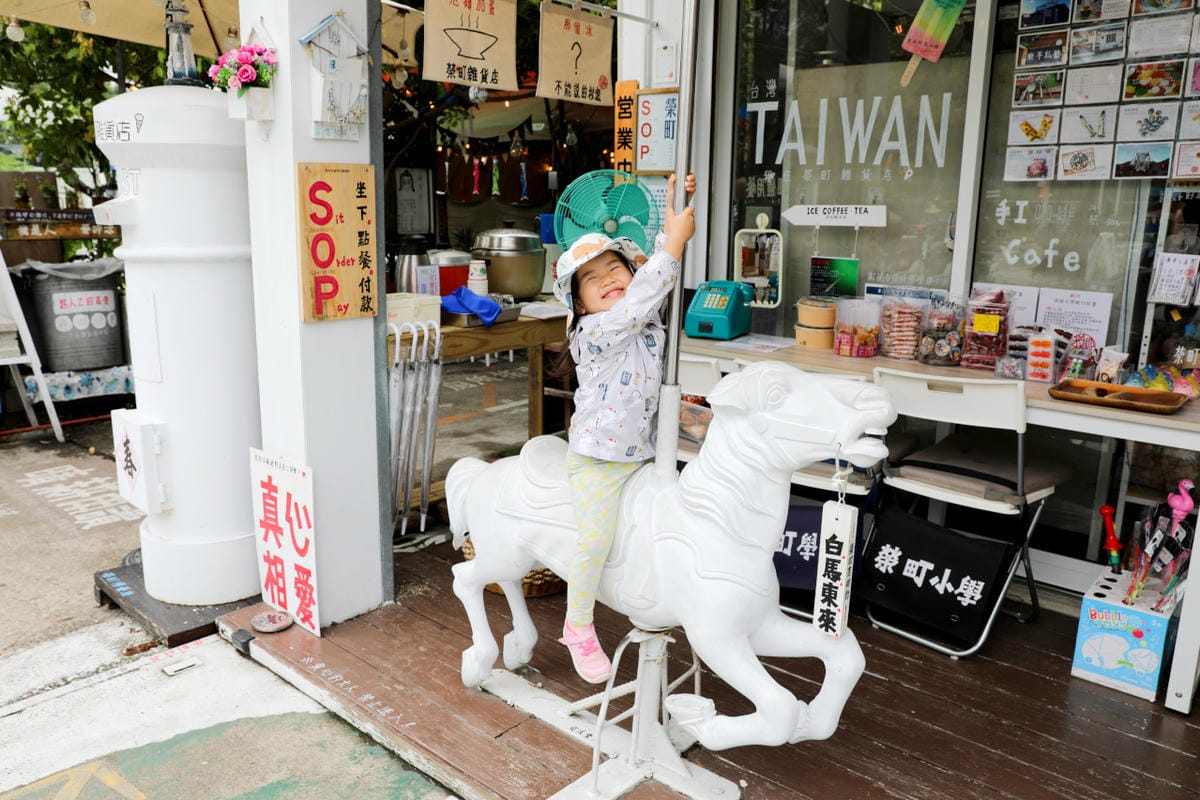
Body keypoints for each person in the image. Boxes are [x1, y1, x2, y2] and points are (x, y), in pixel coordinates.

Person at [550, 171, 696, 683]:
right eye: (592, 279)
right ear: (579, 304)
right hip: (597, 460)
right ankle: (578, 625)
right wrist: (673, 244)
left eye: (617, 268)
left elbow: (650, 289)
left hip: (644, 452)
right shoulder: (597, 331)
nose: (610, 278)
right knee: (593, 541)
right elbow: (641, 300)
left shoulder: (641, 319)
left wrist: (674, 221)